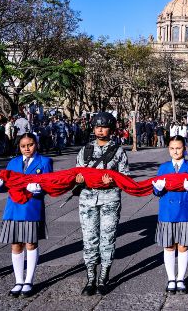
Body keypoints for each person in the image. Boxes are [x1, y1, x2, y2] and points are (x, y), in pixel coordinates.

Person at [74, 111, 130, 295]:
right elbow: (77, 172)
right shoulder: (86, 150)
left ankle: (103, 277)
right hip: (88, 200)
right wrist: (79, 179)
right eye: (97, 126)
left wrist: (113, 181)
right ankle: (90, 277)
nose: (100, 130)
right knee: (89, 239)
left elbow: (126, 177)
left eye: (104, 127)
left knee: (108, 238)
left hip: (109, 199)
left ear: (111, 129)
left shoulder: (119, 151)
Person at [0, 133, 53, 297]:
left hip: (31, 207)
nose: (27, 149)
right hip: (13, 207)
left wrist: (40, 189)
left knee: (31, 243)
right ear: (19, 147)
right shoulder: (13, 162)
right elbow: (6, 185)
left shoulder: (45, 162)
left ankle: (29, 281)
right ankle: (18, 280)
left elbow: (50, 184)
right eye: (23, 146)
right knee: (16, 244)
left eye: (30, 145)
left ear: (36, 144)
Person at [152, 135, 188, 294]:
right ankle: (171, 278)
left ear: (185, 148)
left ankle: (181, 279)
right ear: (168, 149)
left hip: (185, 211)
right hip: (166, 211)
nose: (175, 151)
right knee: (169, 246)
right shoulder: (163, 167)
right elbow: (156, 191)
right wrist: (157, 188)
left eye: (178, 148)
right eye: (172, 148)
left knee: (183, 246)